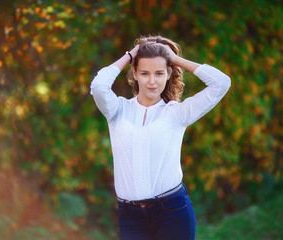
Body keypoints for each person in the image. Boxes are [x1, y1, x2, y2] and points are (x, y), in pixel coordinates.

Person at [90, 35, 231, 240]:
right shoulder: (116, 109)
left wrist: (174, 59)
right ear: (135, 74)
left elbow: (222, 83)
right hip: (130, 216)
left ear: (168, 74)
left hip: (172, 212)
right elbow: (98, 86)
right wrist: (131, 55)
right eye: (145, 73)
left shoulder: (177, 113)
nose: (152, 81)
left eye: (159, 73)